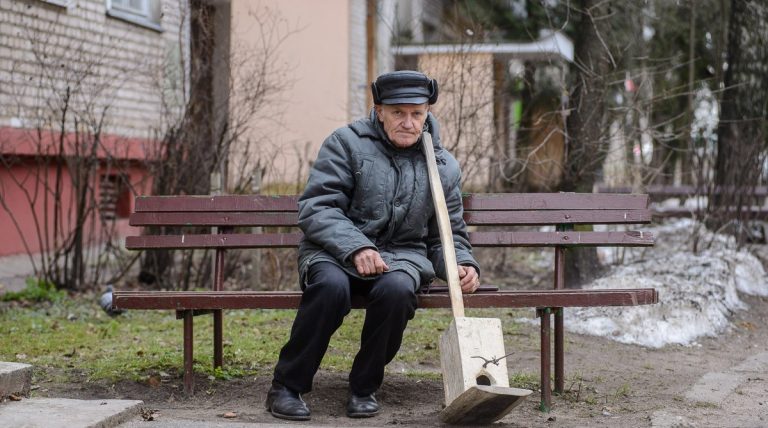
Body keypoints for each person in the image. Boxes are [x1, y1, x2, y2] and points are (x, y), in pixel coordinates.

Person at [265, 70, 481, 421]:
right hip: (333, 252)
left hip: (402, 256)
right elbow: (318, 207)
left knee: (397, 290)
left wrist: (461, 265)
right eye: (398, 113)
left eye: (417, 113)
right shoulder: (346, 143)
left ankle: (364, 387)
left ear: (427, 113)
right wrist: (356, 248)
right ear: (379, 110)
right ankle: (287, 387)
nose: (408, 123)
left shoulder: (442, 165)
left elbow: (447, 232)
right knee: (330, 288)